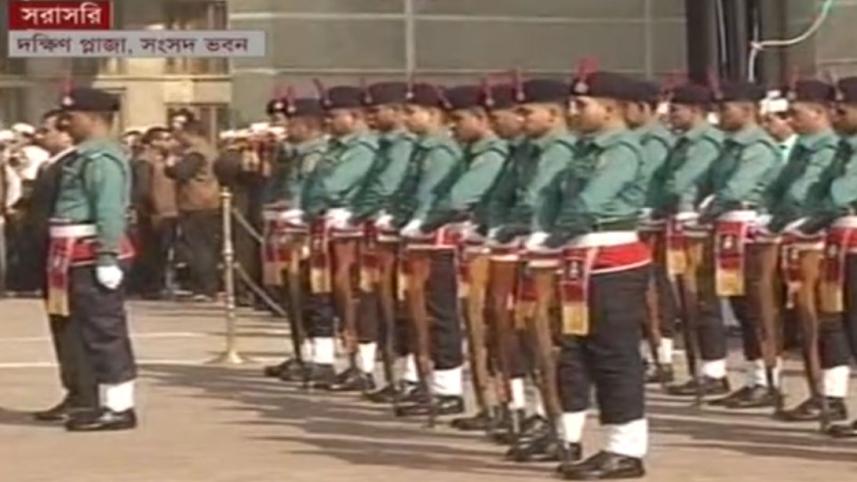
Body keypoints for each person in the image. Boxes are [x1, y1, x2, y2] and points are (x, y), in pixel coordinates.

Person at [535, 71, 652, 479]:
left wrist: (553, 235)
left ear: (611, 108)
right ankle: (587, 438)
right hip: (578, 254)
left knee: (613, 353)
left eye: (582, 105)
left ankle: (626, 448)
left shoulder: (621, 149)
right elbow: (552, 195)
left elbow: (591, 200)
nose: (572, 111)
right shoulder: (582, 150)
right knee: (578, 349)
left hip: (612, 256)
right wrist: (546, 231)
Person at [398, 84, 507, 417]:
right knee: (438, 311)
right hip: (452, 236)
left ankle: (457, 391)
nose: (453, 124)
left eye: (459, 118)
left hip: (462, 240)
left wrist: (427, 220)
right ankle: (446, 387)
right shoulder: (467, 151)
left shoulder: (486, 153)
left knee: (453, 314)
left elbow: (456, 196)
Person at [46, 88, 137, 431]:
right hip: (71, 251)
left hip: (89, 250)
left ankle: (119, 405)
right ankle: (92, 399)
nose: (66, 123)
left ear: (94, 118)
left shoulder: (102, 159)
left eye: (72, 116)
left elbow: (109, 209)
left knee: (104, 329)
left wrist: (107, 255)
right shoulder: (83, 156)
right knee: (80, 330)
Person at [283, 84, 378, 388]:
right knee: (322, 292)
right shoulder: (335, 148)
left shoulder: (362, 149)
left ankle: (361, 365)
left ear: (354, 116)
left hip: (350, 228)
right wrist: (307, 210)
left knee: (353, 295)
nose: (329, 122)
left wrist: (316, 204)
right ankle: (327, 360)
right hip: (326, 225)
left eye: (335, 116)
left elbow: (333, 184)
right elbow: (313, 184)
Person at [698, 81, 784, 409]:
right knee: (739, 305)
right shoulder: (729, 146)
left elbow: (736, 188)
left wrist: (707, 211)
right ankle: (753, 376)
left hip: (749, 226)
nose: (720, 115)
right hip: (727, 226)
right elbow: (709, 181)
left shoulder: (758, 146)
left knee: (756, 304)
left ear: (748, 110)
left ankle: (767, 378)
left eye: (726, 108)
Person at [329, 81, 417, 391]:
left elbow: (387, 185)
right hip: (377, 227)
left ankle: (407, 375)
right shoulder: (385, 144)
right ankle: (372, 368)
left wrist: (357, 212)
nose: (372, 117)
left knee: (400, 303)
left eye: (377, 110)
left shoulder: (403, 145)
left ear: (396, 110)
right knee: (370, 299)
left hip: (397, 230)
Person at [651, 83, 729, 398]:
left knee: (701, 297)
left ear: (696, 111)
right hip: (679, 222)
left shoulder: (706, 142)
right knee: (687, 298)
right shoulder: (683, 142)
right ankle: (705, 369)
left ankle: (714, 371)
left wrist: (663, 200)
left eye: (676, 110)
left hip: (697, 225)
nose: (671, 116)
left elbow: (682, 181)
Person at [797, 77, 857, 437]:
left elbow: (837, 192)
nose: (835, 115)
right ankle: (833, 396)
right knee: (841, 323)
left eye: (842, 108)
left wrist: (819, 204)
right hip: (841, 237)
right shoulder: (844, 148)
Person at [29, 109, 99, 422]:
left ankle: (85, 393)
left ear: (66, 133)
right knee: (61, 324)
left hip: (68, 253)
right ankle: (74, 390)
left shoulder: (73, 165)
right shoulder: (52, 165)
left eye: (48, 129)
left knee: (74, 326)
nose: (41, 135)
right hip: (50, 254)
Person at [626, 80, 678, 384]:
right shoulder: (634, 138)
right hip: (636, 221)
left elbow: (643, 181)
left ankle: (663, 354)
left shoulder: (654, 141)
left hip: (649, 222)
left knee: (652, 291)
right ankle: (647, 353)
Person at [166, 120, 222, 301]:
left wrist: (170, 164)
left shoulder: (196, 153)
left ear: (191, 134)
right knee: (203, 246)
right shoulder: (210, 150)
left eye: (182, 134)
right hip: (208, 201)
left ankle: (205, 287)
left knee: (199, 247)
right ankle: (204, 286)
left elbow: (181, 172)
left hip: (197, 203)